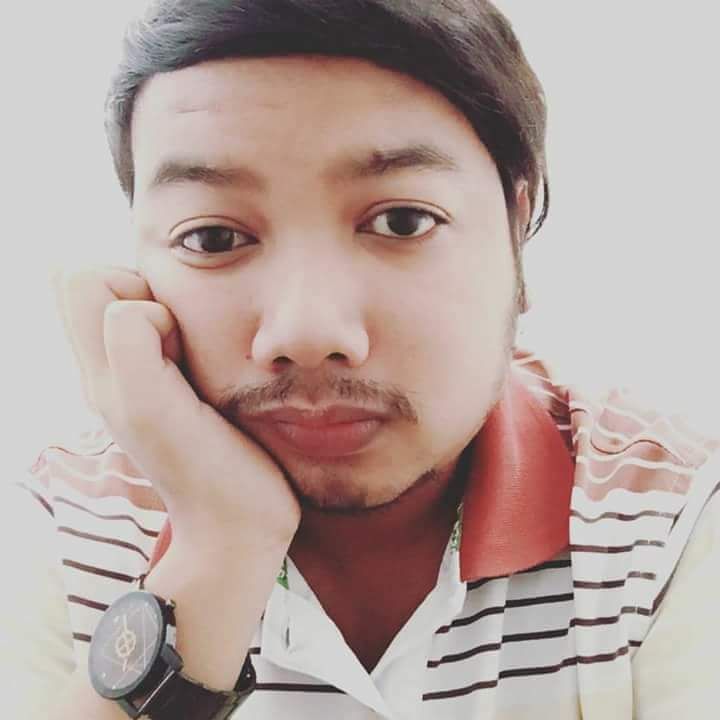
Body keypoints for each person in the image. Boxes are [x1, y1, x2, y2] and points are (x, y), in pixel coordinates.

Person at [2, 1, 718, 718]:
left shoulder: (669, 521)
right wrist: (217, 553)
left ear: (516, 231)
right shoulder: (62, 529)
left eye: (402, 221)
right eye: (214, 237)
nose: (307, 331)